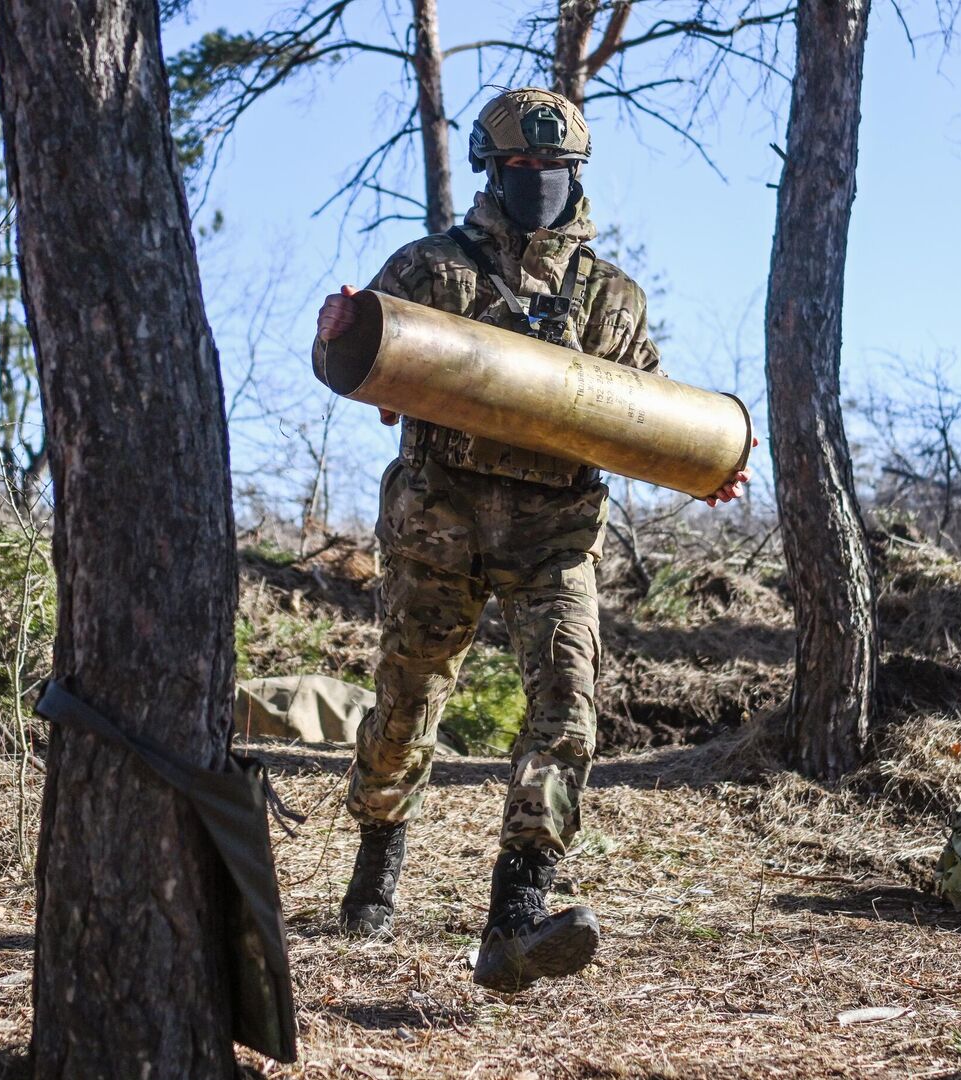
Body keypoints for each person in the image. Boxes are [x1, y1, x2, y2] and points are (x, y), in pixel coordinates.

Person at [313, 88, 749, 992]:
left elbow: (648, 414)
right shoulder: (432, 270)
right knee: (407, 704)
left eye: (556, 172)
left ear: (575, 176)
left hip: (554, 539)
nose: (540, 184)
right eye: (523, 170)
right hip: (442, 526)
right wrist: (340, 338)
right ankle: (376, 864)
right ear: (492, 170)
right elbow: (361, 370)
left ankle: (517, 911)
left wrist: (707, 461)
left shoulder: (612, 297)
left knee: (569, 711)